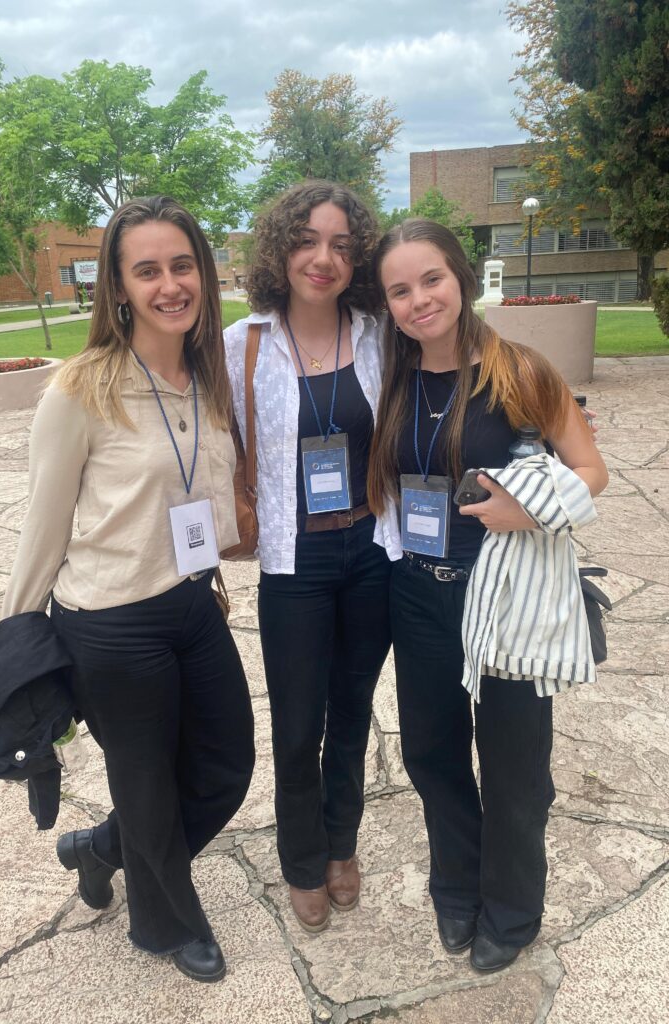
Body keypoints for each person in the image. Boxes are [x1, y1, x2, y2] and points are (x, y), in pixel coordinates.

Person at [1, 195, 255, 983]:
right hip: (109, 623)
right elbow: (43, 525)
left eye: (183, 266)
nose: (169, 284)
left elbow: (211, 503)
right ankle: (170, 925)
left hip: (192, 603)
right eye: (147, 270)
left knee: (226, 765)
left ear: (205, 277)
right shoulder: (81, 388)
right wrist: (16, 643)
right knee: (147, 787)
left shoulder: (209, 379)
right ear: (117, 287)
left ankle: (97, 847)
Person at [367, 219, 608, 972]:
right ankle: (456, 887)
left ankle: (512, 907)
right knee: (434, 755)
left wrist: (530, 508)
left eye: (430, 279)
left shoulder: (521, 372)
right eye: (399, 290)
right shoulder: (395, 377)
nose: (418, 300)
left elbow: (589, 469)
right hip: (420, 595)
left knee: (514, 765)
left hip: (505, 599)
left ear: (462, 278)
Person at [224, 181, 397, 933]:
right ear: (281, 249)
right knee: (297, 723)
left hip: (372, 552)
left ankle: (341, 846)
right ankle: (301, 858)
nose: (322, 258)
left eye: (340, 245)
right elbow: (208, 441)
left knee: (352, 712)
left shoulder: (379, 332)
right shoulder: (245, 344)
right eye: (307, 241)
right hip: (294, 565)